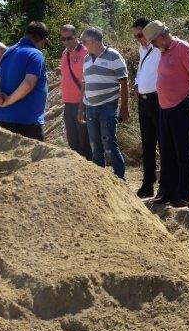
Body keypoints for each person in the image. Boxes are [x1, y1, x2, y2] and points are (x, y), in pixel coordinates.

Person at [144, 20, 189, 207]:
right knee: (167, 152)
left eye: (153, 41)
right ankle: (167, 192)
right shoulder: (163, 51)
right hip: (164, 108)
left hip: (181, 107)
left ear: (161, 36)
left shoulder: (183, 48)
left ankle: (184, 194)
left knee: (182, 153)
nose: (152, 45)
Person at [76, 27, 129, 179]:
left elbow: (124, 83)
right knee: (95, 145)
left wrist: (124, 108)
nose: (83, 44)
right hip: (90, 107)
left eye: (84, 41)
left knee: (109, 144)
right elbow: (85, 84)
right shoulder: (86, 59)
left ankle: (120, 179)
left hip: (108, 106)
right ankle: (100, 180)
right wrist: (81, 108)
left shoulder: (113, 56)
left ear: (92, 41)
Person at [0, 22, 50, 140]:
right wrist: (9, 101)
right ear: (43, 40)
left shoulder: (8, 52)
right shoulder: (36, 55)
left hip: (3, 119)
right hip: (27, 122)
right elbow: (29, 83)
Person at [131, 18, 161, 198]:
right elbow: (142, 71)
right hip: (144, 101)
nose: (138, 38)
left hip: (157, 99)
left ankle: (165, 184)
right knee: (148, 144)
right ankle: (147, 183)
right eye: (135, 36)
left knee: (163, 144)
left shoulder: (158, 48)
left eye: (140, 34)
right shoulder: (143, 49)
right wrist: (136, 84)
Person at [58, 25, 91, 159]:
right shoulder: (65, 53)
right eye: (63, 39)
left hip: (82, 103)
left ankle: (90, 173)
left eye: (69, 38)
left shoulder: (86, 52)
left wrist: (83, 106)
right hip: (68, 104)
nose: (66, 42)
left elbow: (88, 80)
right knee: (73, 142)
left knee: (85, 143)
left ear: (76, 37)